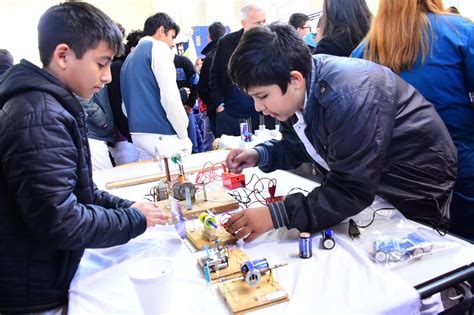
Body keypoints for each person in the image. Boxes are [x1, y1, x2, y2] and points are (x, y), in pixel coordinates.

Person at [0, 2, 168, 313]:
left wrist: (128, 207)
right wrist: (134, 219)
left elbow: (82, 193)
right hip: (33, 292)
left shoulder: (48, 105)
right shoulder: (40, 115)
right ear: (63, 55)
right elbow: (61, 221)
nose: (107, 77)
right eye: (101, 64)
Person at [223, 24, 456, 243]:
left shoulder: (348, 96)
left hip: (415, 188)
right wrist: (260, 154)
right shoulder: (296, 96)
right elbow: (300, 145)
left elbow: (351, 188)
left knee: (415, 265)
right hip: (376, 189)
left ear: (295, 79)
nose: (257, 108)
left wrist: (276, 214)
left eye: (262, 96)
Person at [352, 0, 474, 242]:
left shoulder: (362, 53)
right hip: (462, 172)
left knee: (416, 262)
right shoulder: (459, 31)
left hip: (397, 181)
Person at [121, 12, 191, 160]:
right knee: (179, 179)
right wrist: (183, 134)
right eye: (171, 37)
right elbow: (170, 97)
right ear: (161, 31)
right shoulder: (158, 49)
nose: (172, 44)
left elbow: (125, 106)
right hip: (161, 133)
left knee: (156, 181)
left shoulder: (129, 58)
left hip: (137, 133)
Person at [209, 3, 274, 137]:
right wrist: (219, 105)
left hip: (262, 112)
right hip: (230, 112)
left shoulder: (271, 41)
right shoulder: (226, 42)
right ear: (244, 23)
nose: (262, 26)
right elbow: (215, 76)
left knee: (261, 152)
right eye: (257, 23)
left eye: (264, 22)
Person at [107, 29, 143, 166]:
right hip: (124, 137)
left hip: (132, 135)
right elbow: (117, 103)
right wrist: (129, 134)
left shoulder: (125, 66)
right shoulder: (118, 67)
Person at [198, 21, 226, 138]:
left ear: (209, 37)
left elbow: (202, 88)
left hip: (216, 110)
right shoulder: (235, 53)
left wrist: (213, 104)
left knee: (220, 144)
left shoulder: (209, 58)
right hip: (236, 108)